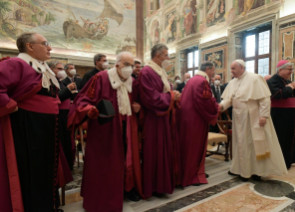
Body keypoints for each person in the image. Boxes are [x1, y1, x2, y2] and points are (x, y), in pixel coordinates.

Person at [0, 32, 72, 212]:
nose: (50, 48)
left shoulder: (43, 68)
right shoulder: (16, 63)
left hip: (47, 129)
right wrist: (8, 105)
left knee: (47, 171)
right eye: (45, 43)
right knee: (32, 173)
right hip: (27, 129)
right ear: (30, 46)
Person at [68, 52, 143, 212]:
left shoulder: (133, 83)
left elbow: (137, 101)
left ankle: (125, 190)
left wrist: (138, 108)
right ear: (117, 65)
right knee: (104, 165)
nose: (129, 68)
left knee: (125, 161)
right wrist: (89, 109)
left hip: (127, 128)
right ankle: (100, 198)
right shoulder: (101, 78)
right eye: (126, 64)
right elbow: (83, 100)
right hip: (105, 129)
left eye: (132, 64)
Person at [219, 60, 288, 181]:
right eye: (231, 69)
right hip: (238, 117)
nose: (231, 71)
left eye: (233, 68)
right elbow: (229, 99)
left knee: (252, 143)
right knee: (239, 143)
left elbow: (265, 99)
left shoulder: (255, 78)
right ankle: (239, 169)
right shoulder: (233, 82)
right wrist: (221, 106)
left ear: (242, 68)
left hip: (252, 116)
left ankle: (256, 171)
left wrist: (264, 116)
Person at [138, 44, 180, 198]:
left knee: (163, 151)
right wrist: (171, 96)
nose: (168, 58)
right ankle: (153, 186)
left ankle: (162, 185)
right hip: (153, 119)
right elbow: (150, 97)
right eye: (166, 55)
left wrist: (173, 94)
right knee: (154, 152)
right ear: (158, 56)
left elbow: (164, 91)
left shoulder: (160, 71)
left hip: (163, 118)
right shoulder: (147, 72)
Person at [177, 61, 219, 187]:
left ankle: (193, 172)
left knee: (188, 147)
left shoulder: (193, 80)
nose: (213, 73)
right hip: (195, 120)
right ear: (207, 69)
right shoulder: (202, 81)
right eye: (213, 70)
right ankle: (192, 175)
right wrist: (217, 108)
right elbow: (205, 102)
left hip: (188, 118)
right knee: (194, 148)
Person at [267, 60, 295, 169]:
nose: (291, 72)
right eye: (289, 69)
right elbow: (277, 94)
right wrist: (291, 87)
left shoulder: (285, 80)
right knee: (281, 137)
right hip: (279, 114)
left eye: (292, 69)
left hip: (289, 113)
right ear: (280, 69)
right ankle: (281, 162)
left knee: (290, 136)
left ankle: (289, 160)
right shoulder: (273, 80)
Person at [48, 60, 77, 171]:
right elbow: (55, 97)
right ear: (51, 69)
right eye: (59, 69)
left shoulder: (59, 82)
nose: (62, 71)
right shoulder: (49, 81)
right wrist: (68, 90)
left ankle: (68, 166)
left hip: (65, 114)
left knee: (67, 142)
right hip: (58, 115)